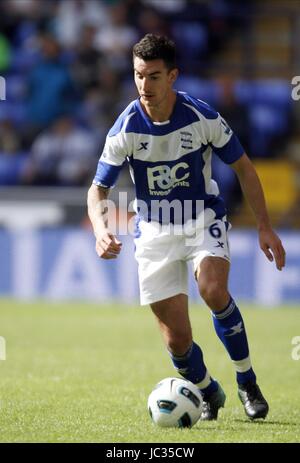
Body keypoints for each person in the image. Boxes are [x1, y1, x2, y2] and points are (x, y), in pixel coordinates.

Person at [87, 34, 286, 421]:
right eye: (138, 76)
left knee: (213, 290)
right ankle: (210, 391)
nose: (145, 86)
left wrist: (264, 226)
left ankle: (247, 381)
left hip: (201, 217)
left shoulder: (201, 117)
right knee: (178, 341)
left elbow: (244, 167)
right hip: (155, 231)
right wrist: (100, 228)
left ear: (173, 76)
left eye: (154, 76)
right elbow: (98, 189)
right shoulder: (125, 128)